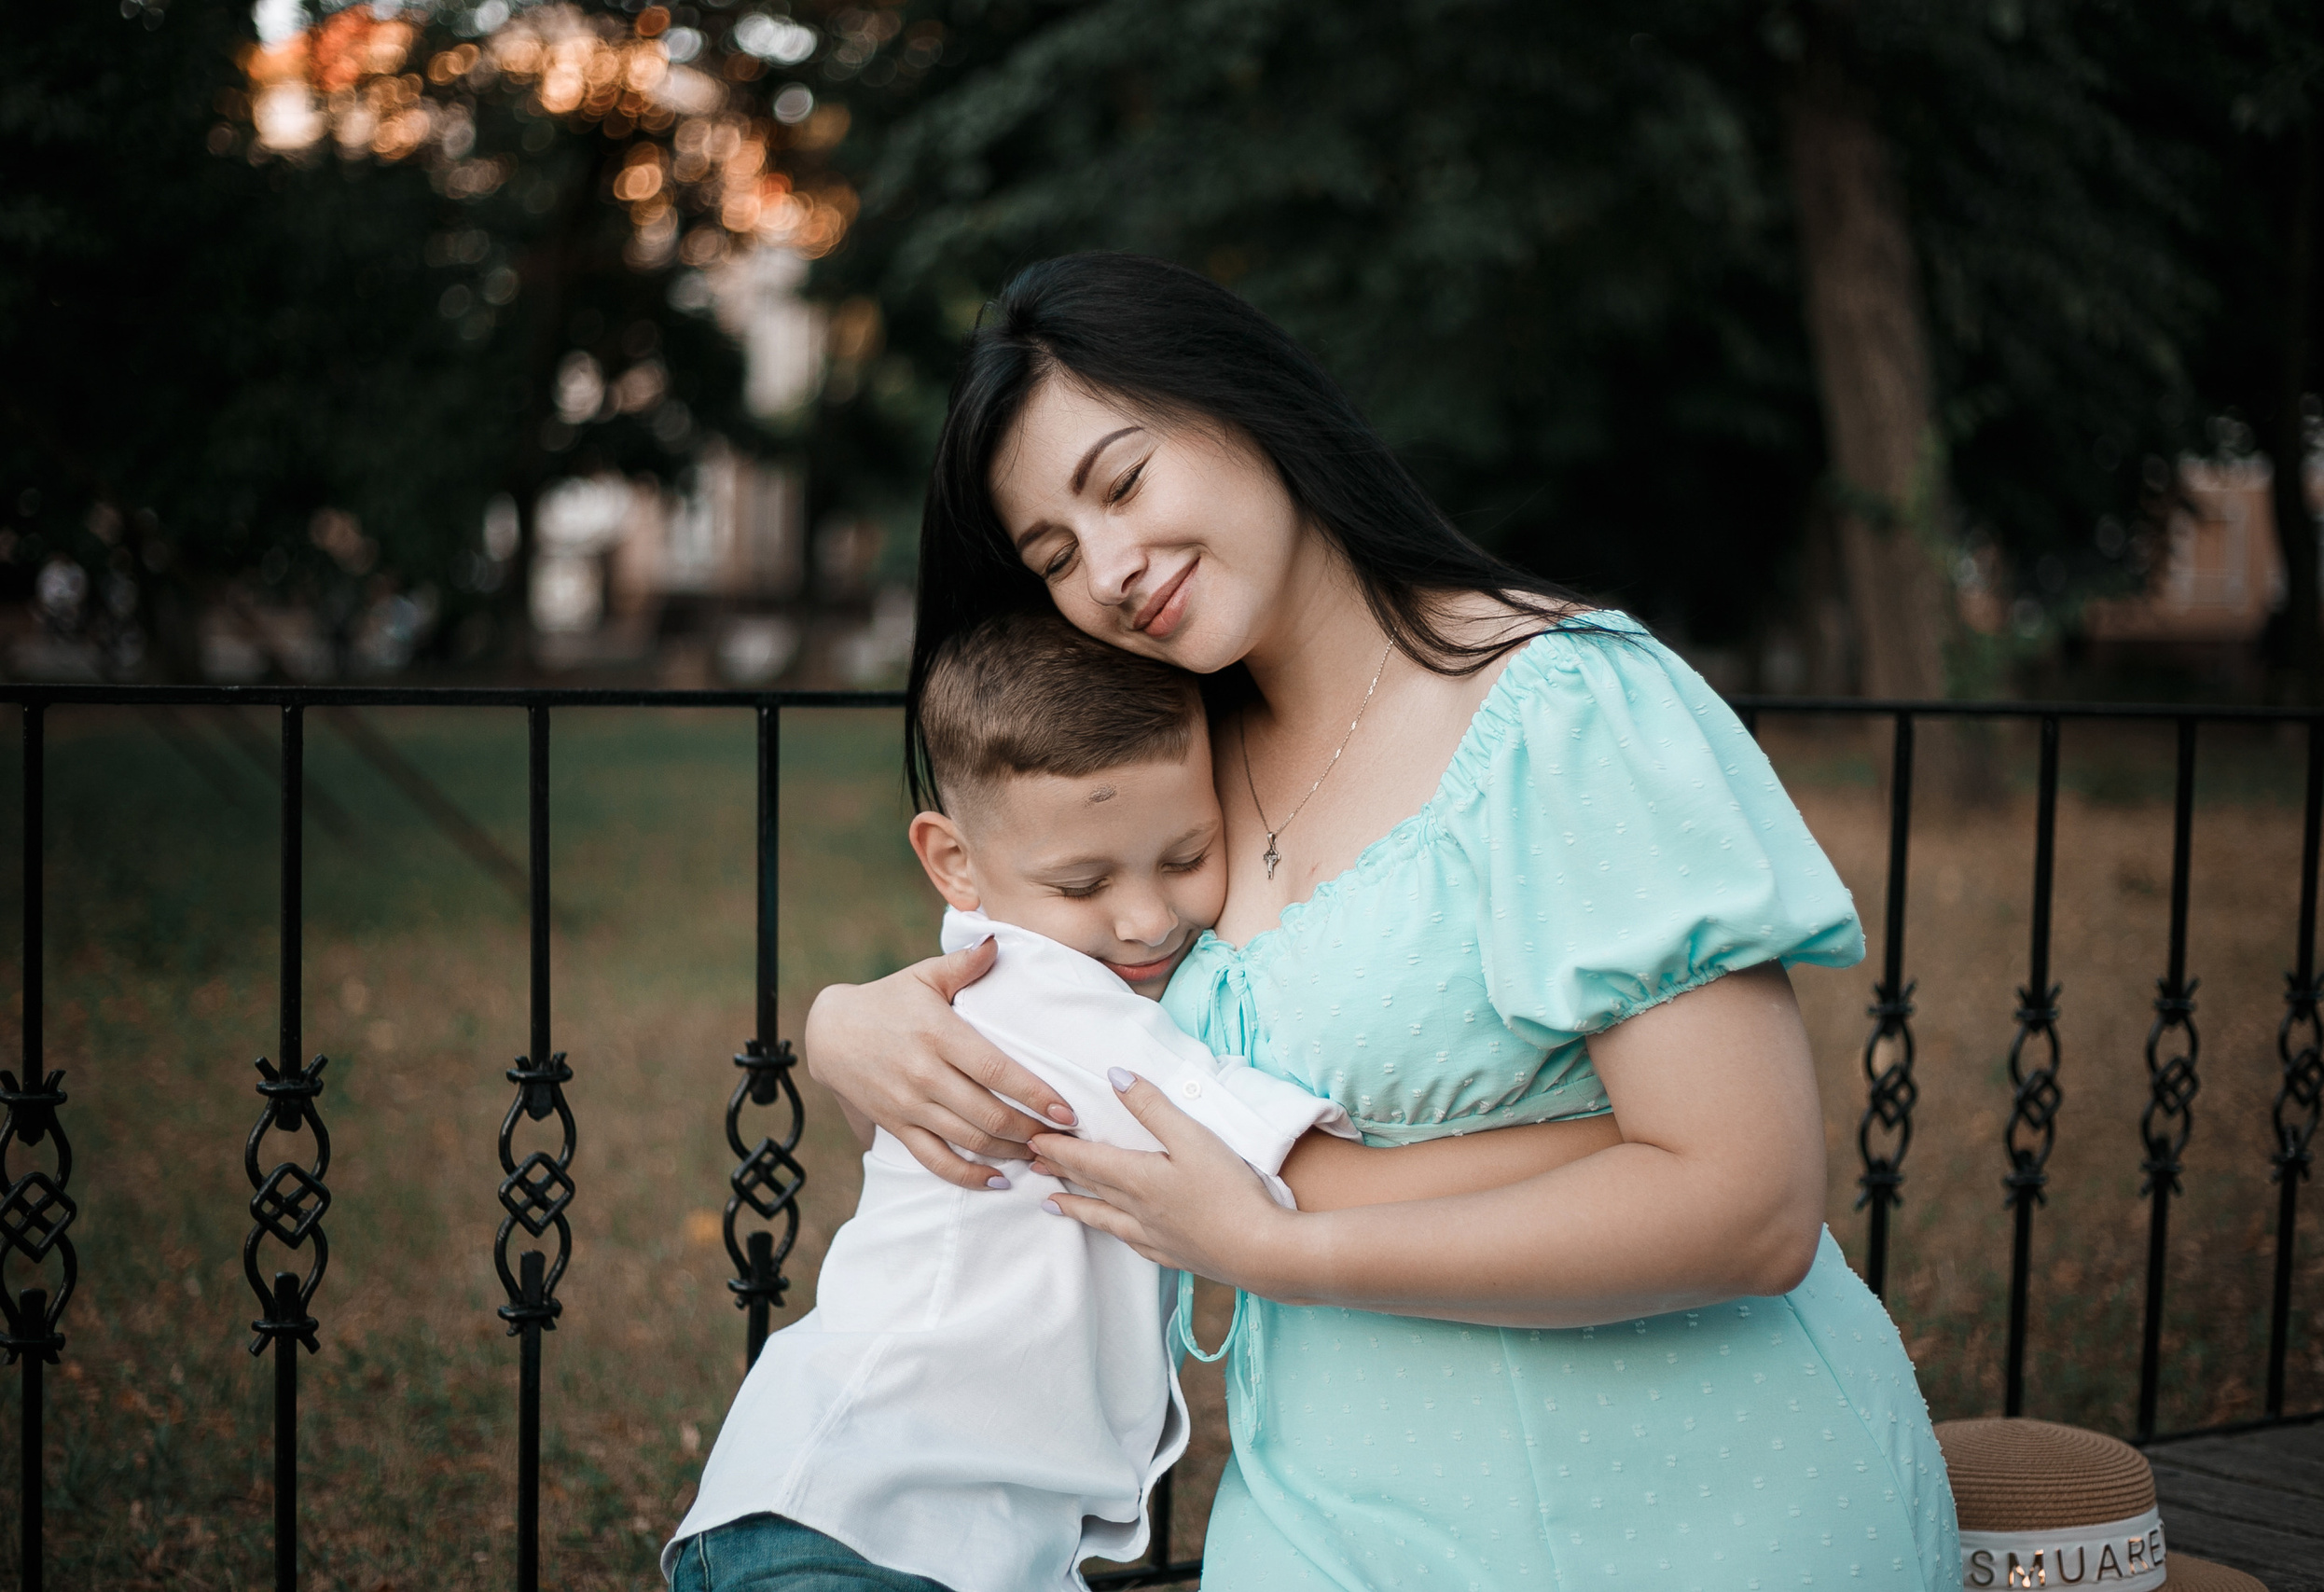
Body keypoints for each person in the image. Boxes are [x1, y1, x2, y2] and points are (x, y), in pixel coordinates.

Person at [806, 252, 1960, 1589]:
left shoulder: (1562, 709)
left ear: (1248, 404)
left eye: (1122, 481)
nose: (1110, 568)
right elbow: (1025, 1086)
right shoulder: (1164, 783)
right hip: (1323, 1521)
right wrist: (848, 1030)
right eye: (1055, 554)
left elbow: (1749, 1203)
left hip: (1684, 1510)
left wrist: (1278, 1247)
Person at [670, 610, 1623, 1592]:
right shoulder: (1066, 1017)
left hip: (922, 1527)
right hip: (851, 1528)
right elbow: (1322, 1180)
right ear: (953, 860)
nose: (1143, 918)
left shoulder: (991, 961)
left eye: (1182, 858)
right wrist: (1613, 1147)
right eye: (1083, 881)